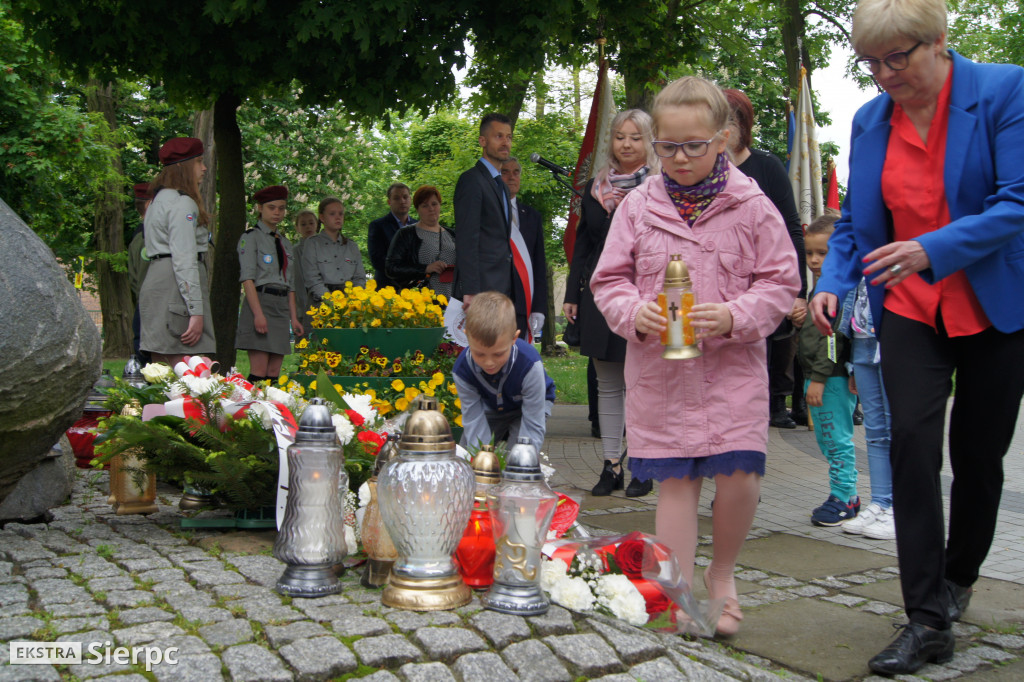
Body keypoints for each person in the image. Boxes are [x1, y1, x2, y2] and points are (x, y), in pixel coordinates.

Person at [808, 0, 1024, 673]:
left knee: (980, 456)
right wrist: (832, 283)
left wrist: (931, 247)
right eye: (869, 62)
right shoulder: (871, 120)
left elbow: (1017, 200)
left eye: (896, 57)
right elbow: (852, 225)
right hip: (909, 308)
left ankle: (960, 576)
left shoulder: (1004, 90)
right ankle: (926, 616)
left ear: (938, 41)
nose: (882, 75)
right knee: (909, 444)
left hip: (996, 306)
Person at [590, 76, 799, 636]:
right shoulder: (636, 207)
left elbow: (782, 282)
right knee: (676, 484)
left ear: (723, 138)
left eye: (694, 146)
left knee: (739, 478)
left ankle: (723, 577)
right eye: (668, 147)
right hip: (662, 376)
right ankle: (673, 590)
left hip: (732, 375)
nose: (679, 158)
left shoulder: (753, 205)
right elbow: (607, 281)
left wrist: (736, 315)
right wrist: (635, 312)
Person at [563, 109, 659, 498]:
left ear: (649, 141)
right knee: (607, 382)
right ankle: (611, 464)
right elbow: (584, 242)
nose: (626, 144)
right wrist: (572, 293)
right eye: (620, 136)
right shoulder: (594, 188)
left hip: (645, 294)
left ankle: (642, 464)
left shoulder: (660, 185)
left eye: (635, 137)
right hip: (602, 294)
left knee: (642, 382)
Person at [724, 89, 807, 429]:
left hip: (761, 286)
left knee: (761, 362)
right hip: (720, 288)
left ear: (743, 125)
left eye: (729, 120)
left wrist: (795, 291)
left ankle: (763, 418)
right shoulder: (696, 173)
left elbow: (792, 230)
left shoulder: (767, 167)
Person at [797, 212, 859, 527]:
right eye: (809, 253)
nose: (814, 260)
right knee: (827, 439)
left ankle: (844, 496)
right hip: (819, 376)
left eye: (823, 253)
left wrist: (818, 379)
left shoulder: (838, 290)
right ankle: (845, 493)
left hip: (830, 379)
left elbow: (833, 339)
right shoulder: (819, 287)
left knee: (836, 439)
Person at [139, 137, 215, 366]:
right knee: (191, 373)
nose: (204, 168)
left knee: (161, 370)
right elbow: (184, 259)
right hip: (176, 286)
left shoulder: (157, 200)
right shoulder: (182, 203)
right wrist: (196, 311)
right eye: (199, 162)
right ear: (183, 166)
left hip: (158, 280)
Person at [452, 291, 555, 449]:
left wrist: (523, 460)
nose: (489, 362)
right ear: (467, 337)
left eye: (498, 354)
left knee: (519, 454)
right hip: (491, 408)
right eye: (479, 353)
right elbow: (473, 421)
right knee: (470, 452)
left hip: (530, 407)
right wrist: (482, 461)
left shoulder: (529, 365)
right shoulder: (462, 370)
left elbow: (533, 426)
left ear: (514, 338)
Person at [838, 277, 895, 540]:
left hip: (890, 338)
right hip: (861, 340)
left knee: (895, 428)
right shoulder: (855, 248)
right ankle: (880, 502)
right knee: (875, 431)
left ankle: (897, 506)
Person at [235, 185, 303, 384]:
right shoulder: (251, 238)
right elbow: (247, 279)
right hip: (261, 301)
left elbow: (290, 285)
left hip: (281, 307)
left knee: (273, 373)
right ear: (260, 208)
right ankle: (248, 412)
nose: (277, 212)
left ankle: (268, 414)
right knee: (259, 371)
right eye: (271, 207)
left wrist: (294, 318)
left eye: (281, 208)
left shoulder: (285, 243)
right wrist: (258, 315)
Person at [453, 113, 514, 308]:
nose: (506, 142)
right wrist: (470, 290)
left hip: (502, 286)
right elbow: (466, 237)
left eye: (509, 137)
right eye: (499, 136)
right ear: (483, 141)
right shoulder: (471, 180)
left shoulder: (502, 186)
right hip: (479, 289)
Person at [501, 157, 548, 342]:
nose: (511, 177)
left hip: (523, 304)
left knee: (519, 362)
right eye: (505, 172)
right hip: (496, 302)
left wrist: (539, 308)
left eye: (516, 172)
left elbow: (538, 265)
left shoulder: (532, 216)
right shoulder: (488, 213)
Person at [385, 185, 456, 297]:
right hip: (421, 303)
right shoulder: (406, 234)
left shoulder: (452, 234)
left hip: (453, 302)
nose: (431, 209)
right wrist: (426, 268)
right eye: (425, 205)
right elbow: (391, 268)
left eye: (434, 204)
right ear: (417, 209)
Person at [301, 197, 366, 301]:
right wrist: (331, 300)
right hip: (322, 302)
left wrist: (352, 298)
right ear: (322, 217)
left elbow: (360, 277)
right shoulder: (312, 243)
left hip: (349, 302)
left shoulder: (352, 246)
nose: (338, 217)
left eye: (341, 214)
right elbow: (311, 278)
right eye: (332, 214)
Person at [367, 183, 414, 289]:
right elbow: (377, 260)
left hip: (415, 289)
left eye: (405, 197)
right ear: (389, 202)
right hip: (386, 289)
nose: (402, 201)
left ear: (410, 199)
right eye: (396, 198)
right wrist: (406, 272)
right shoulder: (378, 226)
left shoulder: (419, 226)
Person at [126, 182, 153, 364]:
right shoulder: (146, 239)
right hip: (149, 307)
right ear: (149, 205)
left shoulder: (140, 235)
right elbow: (144, 279)